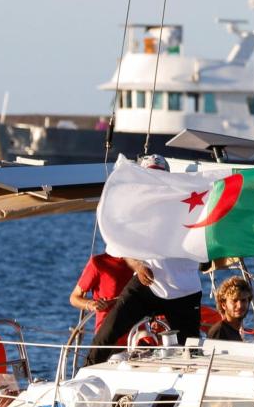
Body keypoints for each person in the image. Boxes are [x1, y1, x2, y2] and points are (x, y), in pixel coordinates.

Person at [85, 155, 204, 364]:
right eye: (149, 175)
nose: (153, 181)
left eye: (158, 176)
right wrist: (138, 266)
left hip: (184, 290)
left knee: (191, 350)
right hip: (147, 284)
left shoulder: (188, 204)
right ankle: (83, 374)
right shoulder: (135, 209)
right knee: (107, 334)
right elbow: (121, 246)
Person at [206, 276, 253, 341]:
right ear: (223, 305)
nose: (240, 305)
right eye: (234, 300)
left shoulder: (234, 332)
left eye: (243, 300)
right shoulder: (219, 331)